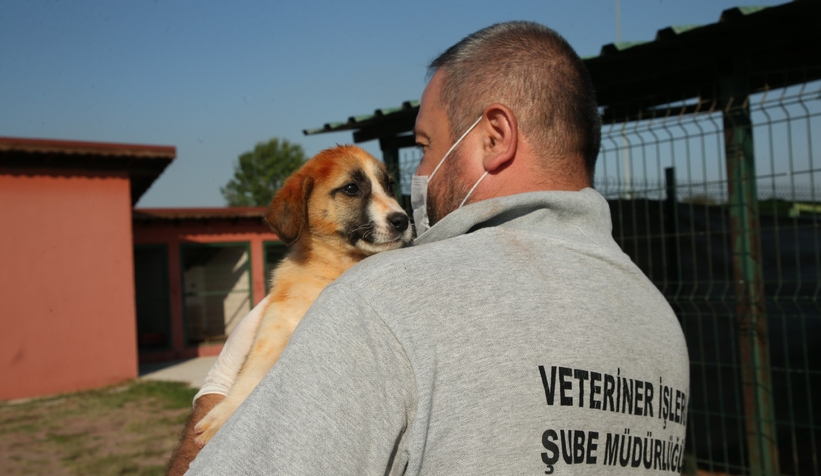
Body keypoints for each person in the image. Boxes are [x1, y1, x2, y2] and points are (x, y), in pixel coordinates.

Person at [179, 21, 690, 475]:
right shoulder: (660, 320)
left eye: (424, 146)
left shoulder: (379, 301)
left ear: (495, 137)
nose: (417, 176)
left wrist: (217, 392)